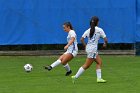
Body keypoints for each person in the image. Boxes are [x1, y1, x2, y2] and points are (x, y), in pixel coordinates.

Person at [71, 16, 108, 83]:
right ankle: (75, 77)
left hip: (89, 49)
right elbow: (106, 39)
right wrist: (105, 43)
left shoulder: (88, 30)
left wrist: (85, 46)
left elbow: (81, 39)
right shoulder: (100, 30)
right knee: (87, 65)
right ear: (97, 22)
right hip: (93, 50)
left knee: (99, 62)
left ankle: (99, 79)